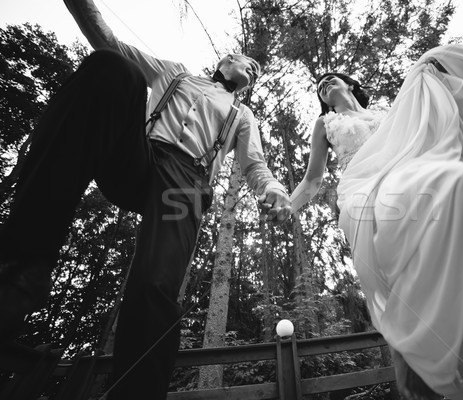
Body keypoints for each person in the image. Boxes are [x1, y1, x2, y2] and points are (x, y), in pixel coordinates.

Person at [0, 0, 291, 398]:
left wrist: (274, 191)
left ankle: (136, 390)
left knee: (156, 281)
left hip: (185, 181)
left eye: (257, 73)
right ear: (226, 60)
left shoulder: (243, 114)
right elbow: (109, 41)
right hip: (139, 155)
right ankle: (20, 275)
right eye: (248, 63)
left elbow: (255, 164)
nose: (253, 70)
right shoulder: (175, 73)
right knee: (112, 68)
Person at [290, 45, 463, 400]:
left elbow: (430, 127)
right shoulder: (326, 123)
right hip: (366, 190)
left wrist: (433, 73)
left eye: (332, 77)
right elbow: (312, 180)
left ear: (351, 84)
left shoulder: (392, 112)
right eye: (320, 86)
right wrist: (287, 206)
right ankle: (422, 377)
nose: (324, 82)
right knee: (401, 280)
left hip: (413, 175)